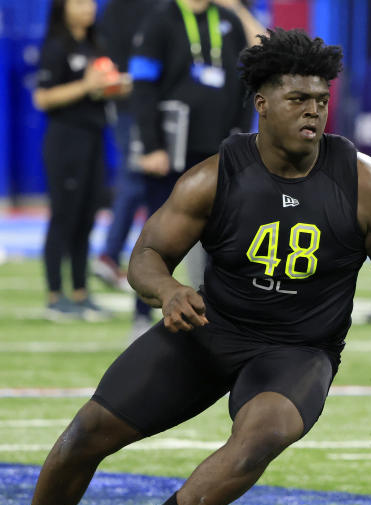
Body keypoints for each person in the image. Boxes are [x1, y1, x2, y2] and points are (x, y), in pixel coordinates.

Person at [0, 28, 371, 505]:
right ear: (261, 102)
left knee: (264, 432)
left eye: (321, 100)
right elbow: (146, 254)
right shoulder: (216, 175)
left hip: (297, 349)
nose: (313, 112)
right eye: (297, 100)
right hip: (209, 329)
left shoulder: (365, 182)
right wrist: (166, 291)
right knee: (85, 433)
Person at [127, 0, 253, 337]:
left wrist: (241, 138)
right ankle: (143, 316)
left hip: (219, 151)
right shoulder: (159, 19)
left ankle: (214, 317)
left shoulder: (228, 19)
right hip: (171, 152)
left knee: (223, 238)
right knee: (157, 238)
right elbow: (142, 86)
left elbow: (246, 81)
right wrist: (152, 145)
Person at [35, 0, 130, 321]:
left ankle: (80, 292)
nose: (87, 8)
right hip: (65, 139)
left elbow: (99, 90)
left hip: (94, 137)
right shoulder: (56, 46)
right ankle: (53, 295)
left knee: (87, 217)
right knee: (64, 216)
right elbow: (43, 97)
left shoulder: (95, 45)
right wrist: (86, 86)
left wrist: (113, 87)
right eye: (79, 1)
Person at [93, 0, 156, 293]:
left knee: (147, 184)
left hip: (156, 106)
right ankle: (110, 254)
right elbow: (112, 64)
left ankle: (127, 256)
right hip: (132, 106)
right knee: (133, 182)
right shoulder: (120, 8)